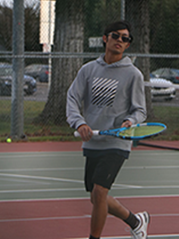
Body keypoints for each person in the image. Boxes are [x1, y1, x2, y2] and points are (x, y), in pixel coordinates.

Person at [66, 20, 150, 239]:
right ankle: (135, 221)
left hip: (117, 142)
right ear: (105, 38)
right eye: (116, 36)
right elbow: (72, 98)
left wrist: (130, 122)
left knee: (100, 191)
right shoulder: (88, 70)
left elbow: (140, 110)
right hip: (93, 140)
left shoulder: (133, 75)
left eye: (126, 38)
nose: (120, 41)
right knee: (96, 197)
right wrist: (79, 123)